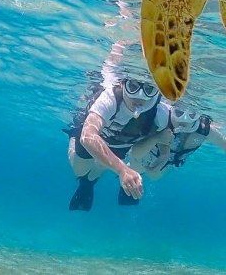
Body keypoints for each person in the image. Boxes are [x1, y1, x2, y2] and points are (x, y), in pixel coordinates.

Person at [66, 41, 171, 210]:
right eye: (133, 87)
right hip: (92, 139)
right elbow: (87, 136)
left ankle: (90, 184)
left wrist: (164, 153)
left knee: (103, 164)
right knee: (80, 171)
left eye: (149, 89)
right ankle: (85, 181)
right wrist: (123, 170)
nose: (140, 96)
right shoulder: (111, 98)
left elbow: (166, 133)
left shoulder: (161, 111)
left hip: (120, 144)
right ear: (122, 83)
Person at [129, 106, 226, 189]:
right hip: (143, 158)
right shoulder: (163, 119)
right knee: (133, 171)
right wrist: (157, 138)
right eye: (180, 112)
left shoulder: (204, 130)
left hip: (167, 165)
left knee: (154, 177)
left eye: (192, 114)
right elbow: (135, 151)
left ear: (199, 116)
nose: (184, 119)